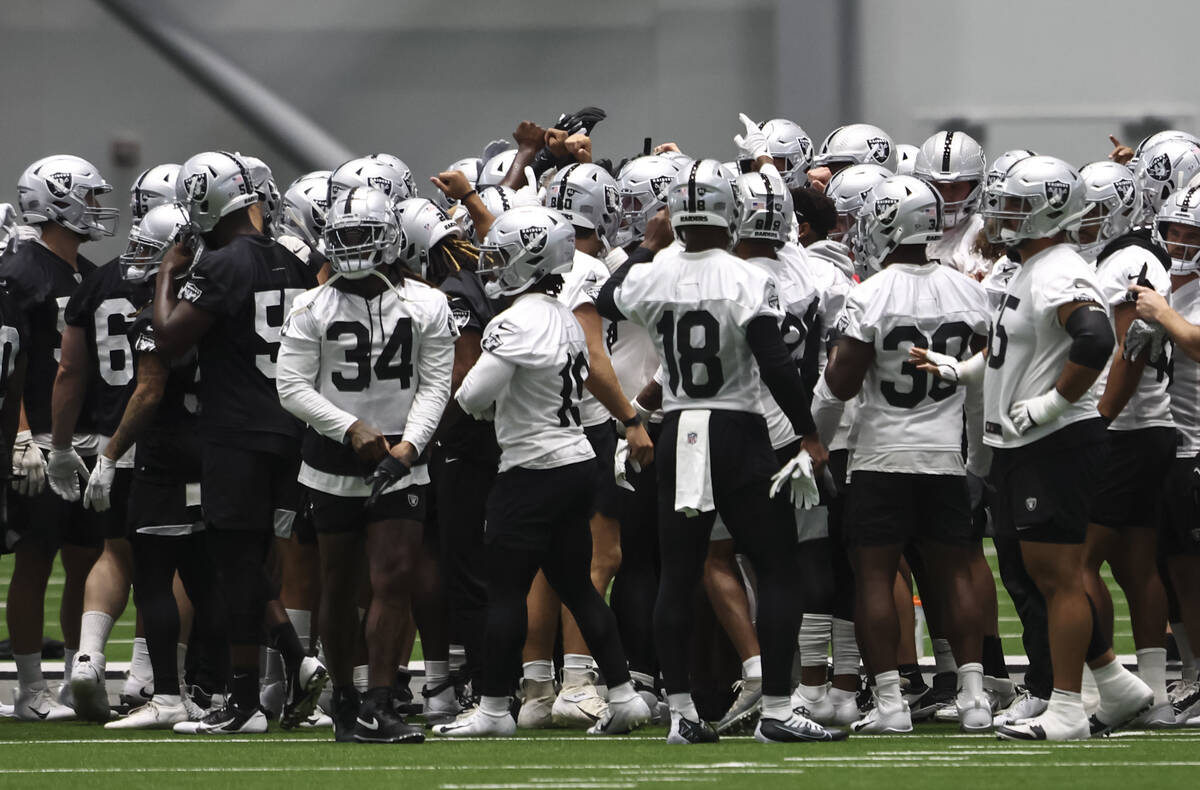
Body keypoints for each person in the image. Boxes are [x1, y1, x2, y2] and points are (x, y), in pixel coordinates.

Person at [595, 159, 842, 744]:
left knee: (678, 573)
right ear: (733, 209)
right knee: (778, 566)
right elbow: (776, 364)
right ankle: (779, 710)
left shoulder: (652, 273)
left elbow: (608, 299)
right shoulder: (745, 277)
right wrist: (809, 433)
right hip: (737, 427)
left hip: (679, 429)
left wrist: (645, 248)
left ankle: (682, 714)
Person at [916, 155, 1151, 740]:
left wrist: (1051, 403)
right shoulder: (1029, 265)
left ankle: (1068, 708)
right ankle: (1118, 686)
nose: (1001, 214)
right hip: (1026, 442)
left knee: (1059, 577)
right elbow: (1013, 351)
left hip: (1056, 439)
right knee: (1036, 569)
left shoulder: (1056, 269)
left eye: (1016, 204)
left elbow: (1095, 339)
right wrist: (960, 368)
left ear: (1050, 208)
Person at [436, 205, 651, 738]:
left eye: (502, 257)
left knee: (505, 590)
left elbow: (473, 395)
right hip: (577, 460)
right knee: (577, 587)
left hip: (532, 469)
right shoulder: (563, 314)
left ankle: (491, 711)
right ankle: (623, 698)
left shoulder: (517, 320)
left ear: (529, 261)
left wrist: (475, 411)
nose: (492, 267)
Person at [152, 150, 325, 735]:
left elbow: (168, 338)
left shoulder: (221, 264)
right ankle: (295, 664)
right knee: (254, 561)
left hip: (236, 429)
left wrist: (168, 274)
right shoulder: (290, 260)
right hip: (290, 424)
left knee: (234, 565)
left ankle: (249, 699)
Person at [277, 186, 454, 743]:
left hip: (403, 456)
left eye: (364, 235)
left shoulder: (426, 303)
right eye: (344, 236)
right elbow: (289, 386)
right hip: (333, 455)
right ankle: (346, 698)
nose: (352, 246)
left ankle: (380, 700)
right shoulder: (310, 306)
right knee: (339, 583)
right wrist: (348, 426)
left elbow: (435, 384)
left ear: (391, 239)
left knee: (393, 578)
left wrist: (412, 445)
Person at [816, 175, 992, 734]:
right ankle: (973, 695)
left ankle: (891, 703)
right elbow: (982, 380)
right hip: (944, 453)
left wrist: (814, 439)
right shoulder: (972, 291)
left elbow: (840, 383)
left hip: (880, 454)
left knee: (873, 576)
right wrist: (978, 460)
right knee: (954, 573)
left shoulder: (870, 292)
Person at [3, 155, 118, 722]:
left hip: (83, 437)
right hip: (42, 438)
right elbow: (11, 361)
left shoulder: (85, 271)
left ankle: (78, 678)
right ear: (57, 200)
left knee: (84, 558)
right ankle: (28, 688)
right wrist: (23, 433)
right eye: (88, 198)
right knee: (35, 559)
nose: (96, 209)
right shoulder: (20, 271)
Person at [97, 202, 220, 729]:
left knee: (152, 576)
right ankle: (211, 689)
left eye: (156, 251)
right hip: (209, 450)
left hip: (165, 455)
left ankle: (168, 694)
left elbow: (148, 393)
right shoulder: (215, 309)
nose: (144, 260)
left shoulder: (159, 318)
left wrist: (109, 454)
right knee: (205, 579)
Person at [1126, 183, 1200, 725]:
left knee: (1191, 572)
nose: (1178, 243)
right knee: (1170, 569)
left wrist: (1161, 312)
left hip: (1196, 445)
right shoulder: (1164, 281)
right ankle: (1192, 672)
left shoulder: (1174, 295)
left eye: (1191, 235)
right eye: (1173, 231)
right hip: (1167, 443)